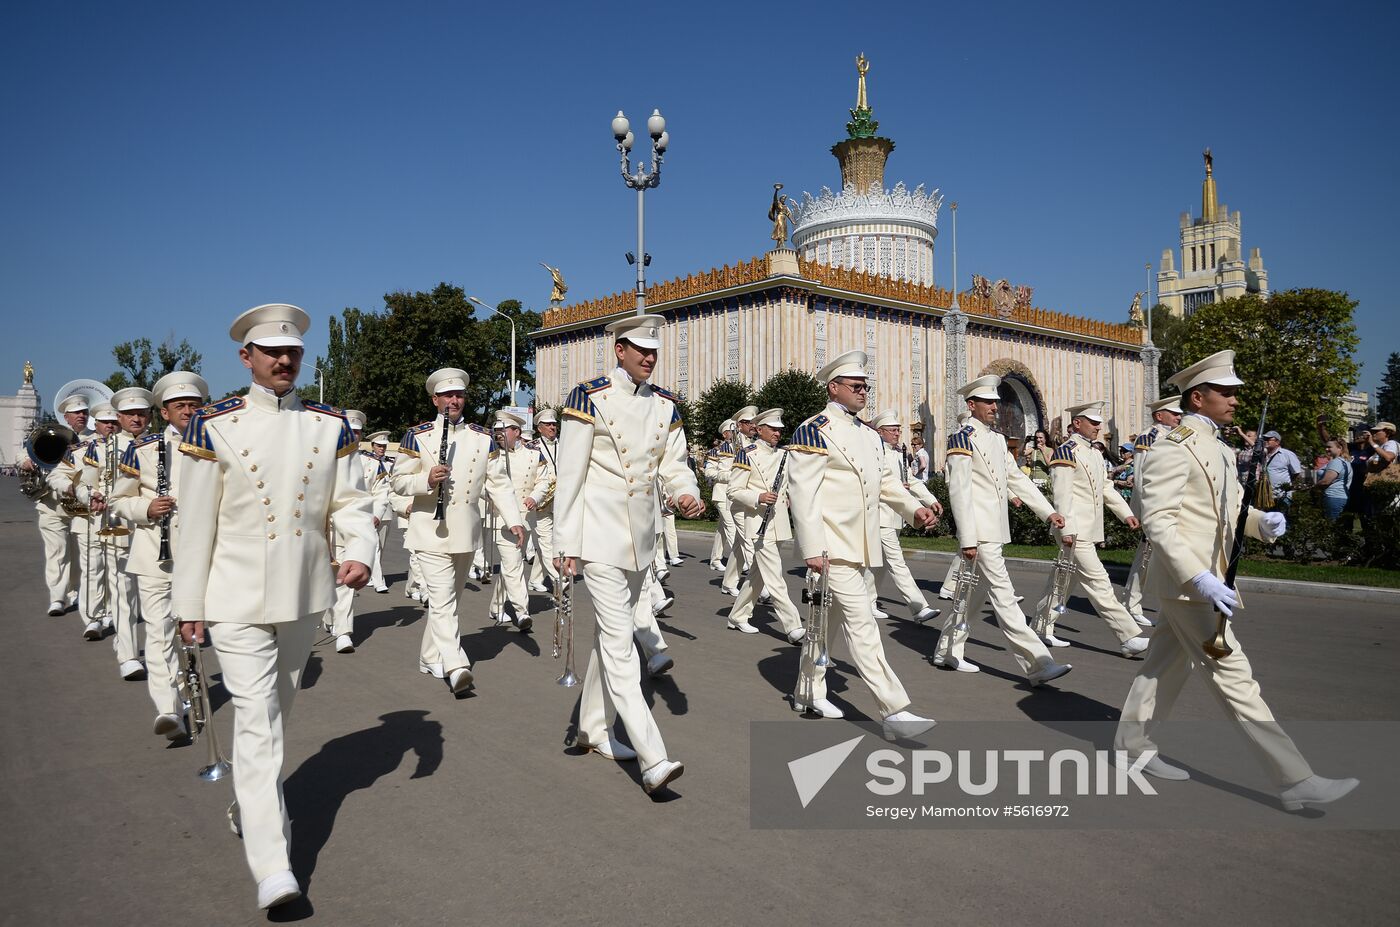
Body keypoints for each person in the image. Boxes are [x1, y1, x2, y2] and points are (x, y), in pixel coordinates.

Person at [173, 303, 378, 909]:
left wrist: (360, 548)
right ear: (247, 358)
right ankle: (273, 866)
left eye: (292, 352)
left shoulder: (329, 425)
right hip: (233, 593)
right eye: (271, 352)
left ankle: (250, 802)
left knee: (276, 716)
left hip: (303, 591)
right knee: (258, 723)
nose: (284, 361)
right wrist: (190, 602)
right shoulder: (213, 425)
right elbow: (194, 525)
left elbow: (351, 503)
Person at [1114, 349, 1358, 811]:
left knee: (1163, 666)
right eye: (1225, 392)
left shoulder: (1219, 447)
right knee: (1234, 675)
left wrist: (1260, 522)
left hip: (1209, 577)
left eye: (1235, 392)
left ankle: (1131, 745)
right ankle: (1294, 778)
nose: (1235, 400)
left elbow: (1229, 509)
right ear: (1198, 398)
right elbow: (1159, 521)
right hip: (1193, 584)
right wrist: (1199, 577)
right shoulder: (1174, 445)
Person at [553, 315, 703, 795]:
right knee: (620, 646)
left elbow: (674, 465)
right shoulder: (589, 397)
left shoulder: (665, 405)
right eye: (640, 349)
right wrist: (565, 545)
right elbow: (570, 476)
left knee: (608, 638)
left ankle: (591, 729)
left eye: (654, 351)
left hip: (640, 540)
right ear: (619, 350)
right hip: (597, 538)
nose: (649, 358)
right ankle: (652, 756)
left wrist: (685, 493)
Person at [786, 350, 939, 741]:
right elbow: (803, 495)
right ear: (833, 387)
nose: (863, 391)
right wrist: (812, 548)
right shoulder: (813, 430)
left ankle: (807, 690)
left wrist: (914, 509)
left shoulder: (870, 435)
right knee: (863, 625)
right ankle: (894, 711)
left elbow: (886, 485)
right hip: (832, 546)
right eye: (855, 386)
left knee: (824, 627)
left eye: (865, 386)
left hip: (862, 545)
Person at [390, 368, 525, 693]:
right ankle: (456, 664)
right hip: (429, 531)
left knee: (449, 599)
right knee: (442, 601)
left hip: (465, 532)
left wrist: (513, 519)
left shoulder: (482, 437)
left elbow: (499, 483)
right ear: (435, 399)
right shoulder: (417, 435)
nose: (454, 400)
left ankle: (429, 656)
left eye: (459, 395)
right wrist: (426, 480)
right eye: (447, 395)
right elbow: (397, 482)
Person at [934, 374, 1073, 684]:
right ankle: (1038, 663)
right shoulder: (963, 438)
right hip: (979, 532)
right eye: (988, 402)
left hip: (994, 531)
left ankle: (946, 650)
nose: (995, 407)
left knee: (972, 597)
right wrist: (968, 538)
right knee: (1004, 596)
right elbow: (959, 491)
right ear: (972, 405)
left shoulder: (997, 439)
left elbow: (1017, 479)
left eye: (996, 402)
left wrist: (1048, 512)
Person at [109, 371, 209, 738]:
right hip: (156, 552)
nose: (187, 411)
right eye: (179, 406)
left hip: (204, 556)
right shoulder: (144, 450)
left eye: (193, 405)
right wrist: (146, 509)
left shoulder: (219, 446)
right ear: (164, 413)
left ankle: (190, 695)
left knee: (195, 633)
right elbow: (121, 500)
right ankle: (168, 708)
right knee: (159, 631)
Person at [1035, 401, 1150, 658]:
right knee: (1100, 583)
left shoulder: (1095, 453)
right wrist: (1066, 530)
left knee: (1063, 581)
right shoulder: (1066, 452)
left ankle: (1041, 626)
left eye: (1099, 422)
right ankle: (1129, 636)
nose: (1099, 427)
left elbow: (1106, 489)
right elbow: (1062, 496)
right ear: (1077, 423)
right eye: (1093, 422)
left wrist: (1126, 513)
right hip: (1074, 530)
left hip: (1088, 530)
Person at [724, 407, 805, 640]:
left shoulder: (784, 455)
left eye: (780, 430)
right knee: (775, 577)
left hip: (777, 522)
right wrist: (757, 497)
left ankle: (737, 616)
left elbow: (788, 484)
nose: (778, 433)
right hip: (758, 522)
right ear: (759, 430)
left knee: (758, 576)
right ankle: (793, 626)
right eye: (772, 429)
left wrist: (787, 495)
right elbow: (734, 490)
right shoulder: (746, 454)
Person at [80, 393, 144, 676]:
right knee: (124, 593)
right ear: (119, 418)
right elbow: (87, 483)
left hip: (155, 529)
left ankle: (147, 648)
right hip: (119, 527)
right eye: (129, 413)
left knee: (152, 601)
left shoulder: (163, 444)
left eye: (142, 412)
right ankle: (129, 655)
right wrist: (90, 496)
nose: (136, 418)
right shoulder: (99, 448)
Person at [866, 408, 943, 623]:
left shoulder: (897, 452)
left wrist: (930, 499)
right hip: (881, 515)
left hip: (897, 515)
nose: (897, 433)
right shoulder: (875, 452)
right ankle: (919, 606)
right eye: (892, 430)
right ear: (880, 432)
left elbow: (911, 479)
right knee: (896, 561)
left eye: (898, 430)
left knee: (878, 565)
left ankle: (868, 602)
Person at [1122, 394, 1184, 626]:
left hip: (1175, 504)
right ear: (1160, 415)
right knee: (1147, 557)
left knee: (1166, 556)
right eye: (1174, 413)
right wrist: (1145, 510)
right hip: (1155, 506)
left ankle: (1152, 602)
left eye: (1179, 413)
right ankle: (1132, 603)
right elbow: (1140, 476)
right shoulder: (1148, 438)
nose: (1179, 416)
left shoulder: (1178, 436)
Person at [486, 409, 548, 630]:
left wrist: (535, 496)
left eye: (503, 431)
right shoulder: (491, 455)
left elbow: (545, 480)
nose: (498, 435)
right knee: (514, 566)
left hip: (527, 517)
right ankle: (522, 612)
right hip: (502, 520)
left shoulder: (534, 454)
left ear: (517, 431)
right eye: (496, 431)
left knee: (509, 566)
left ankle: (496, 606)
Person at [720, 406, 760, 596]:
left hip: (752, 498)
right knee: (749, 541)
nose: (753, 426)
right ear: (738, 425)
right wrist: (737, 475)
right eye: (748, 423)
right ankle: (762, 585)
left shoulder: (757, 444)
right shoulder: (730, 446)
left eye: (754, 422)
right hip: (737, 498)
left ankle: (728, 582)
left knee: (738, 545)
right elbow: (715, 472)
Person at [526, 408, 560, 593]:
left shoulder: (565, 445)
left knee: (547, 542)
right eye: (548, 425)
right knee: (547, 542)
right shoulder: (532, 447)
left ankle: (535, 579)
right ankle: (558, 578)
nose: (552, 427)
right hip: (541, 501)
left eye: (554, 424)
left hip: (560, 500)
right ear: (539, 428)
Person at [703, 419, 738, 572]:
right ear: (725, 434)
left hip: (735, 494)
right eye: (732, 431)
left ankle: (715, 560)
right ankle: (743, 561)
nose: (736, 433)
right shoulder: (716, 451)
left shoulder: (741, 449)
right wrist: (729, 476)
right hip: (722, 493)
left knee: (722, 529)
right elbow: (708, 472)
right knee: (732, 528)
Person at [1261, 430, 1302, 509]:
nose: (1265, 441)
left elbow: (1297, 473)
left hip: (1282, 496)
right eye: (1265, 439)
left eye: (1269, 439)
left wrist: (1287, 487)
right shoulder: (1264, 455)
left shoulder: (1287, 454)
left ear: (1277, 442)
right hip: (1266, 496)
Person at [1314, 438, 1352, 521]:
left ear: (1340, 448)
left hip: (1333, 497)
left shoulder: (1336, 462)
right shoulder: (1344, 461)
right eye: (1326, 447)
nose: (1326, 449)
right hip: (1340, 497)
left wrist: (1313, 487)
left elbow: (1326, 481)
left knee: (1331, 526)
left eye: (1329, 447)